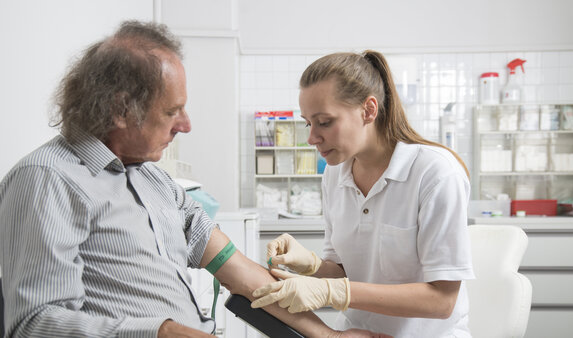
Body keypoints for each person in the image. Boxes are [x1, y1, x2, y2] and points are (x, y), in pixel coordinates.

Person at [0, 22, 389, 338]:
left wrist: (329, 337)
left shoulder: (153, 181)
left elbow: (242, 274)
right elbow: (34, 325)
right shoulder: (47, 181)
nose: (186, 125)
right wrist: (162, 333)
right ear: (120, 109)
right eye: (173, 111)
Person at [251, 50, 475, 337]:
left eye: (325, 122)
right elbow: (345, 273)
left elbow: (442, 301)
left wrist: (332, 291)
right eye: (309, 123)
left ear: (368, 110)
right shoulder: (335, 174)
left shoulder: (434, 173)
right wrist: (314, 266)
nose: (312, 138)